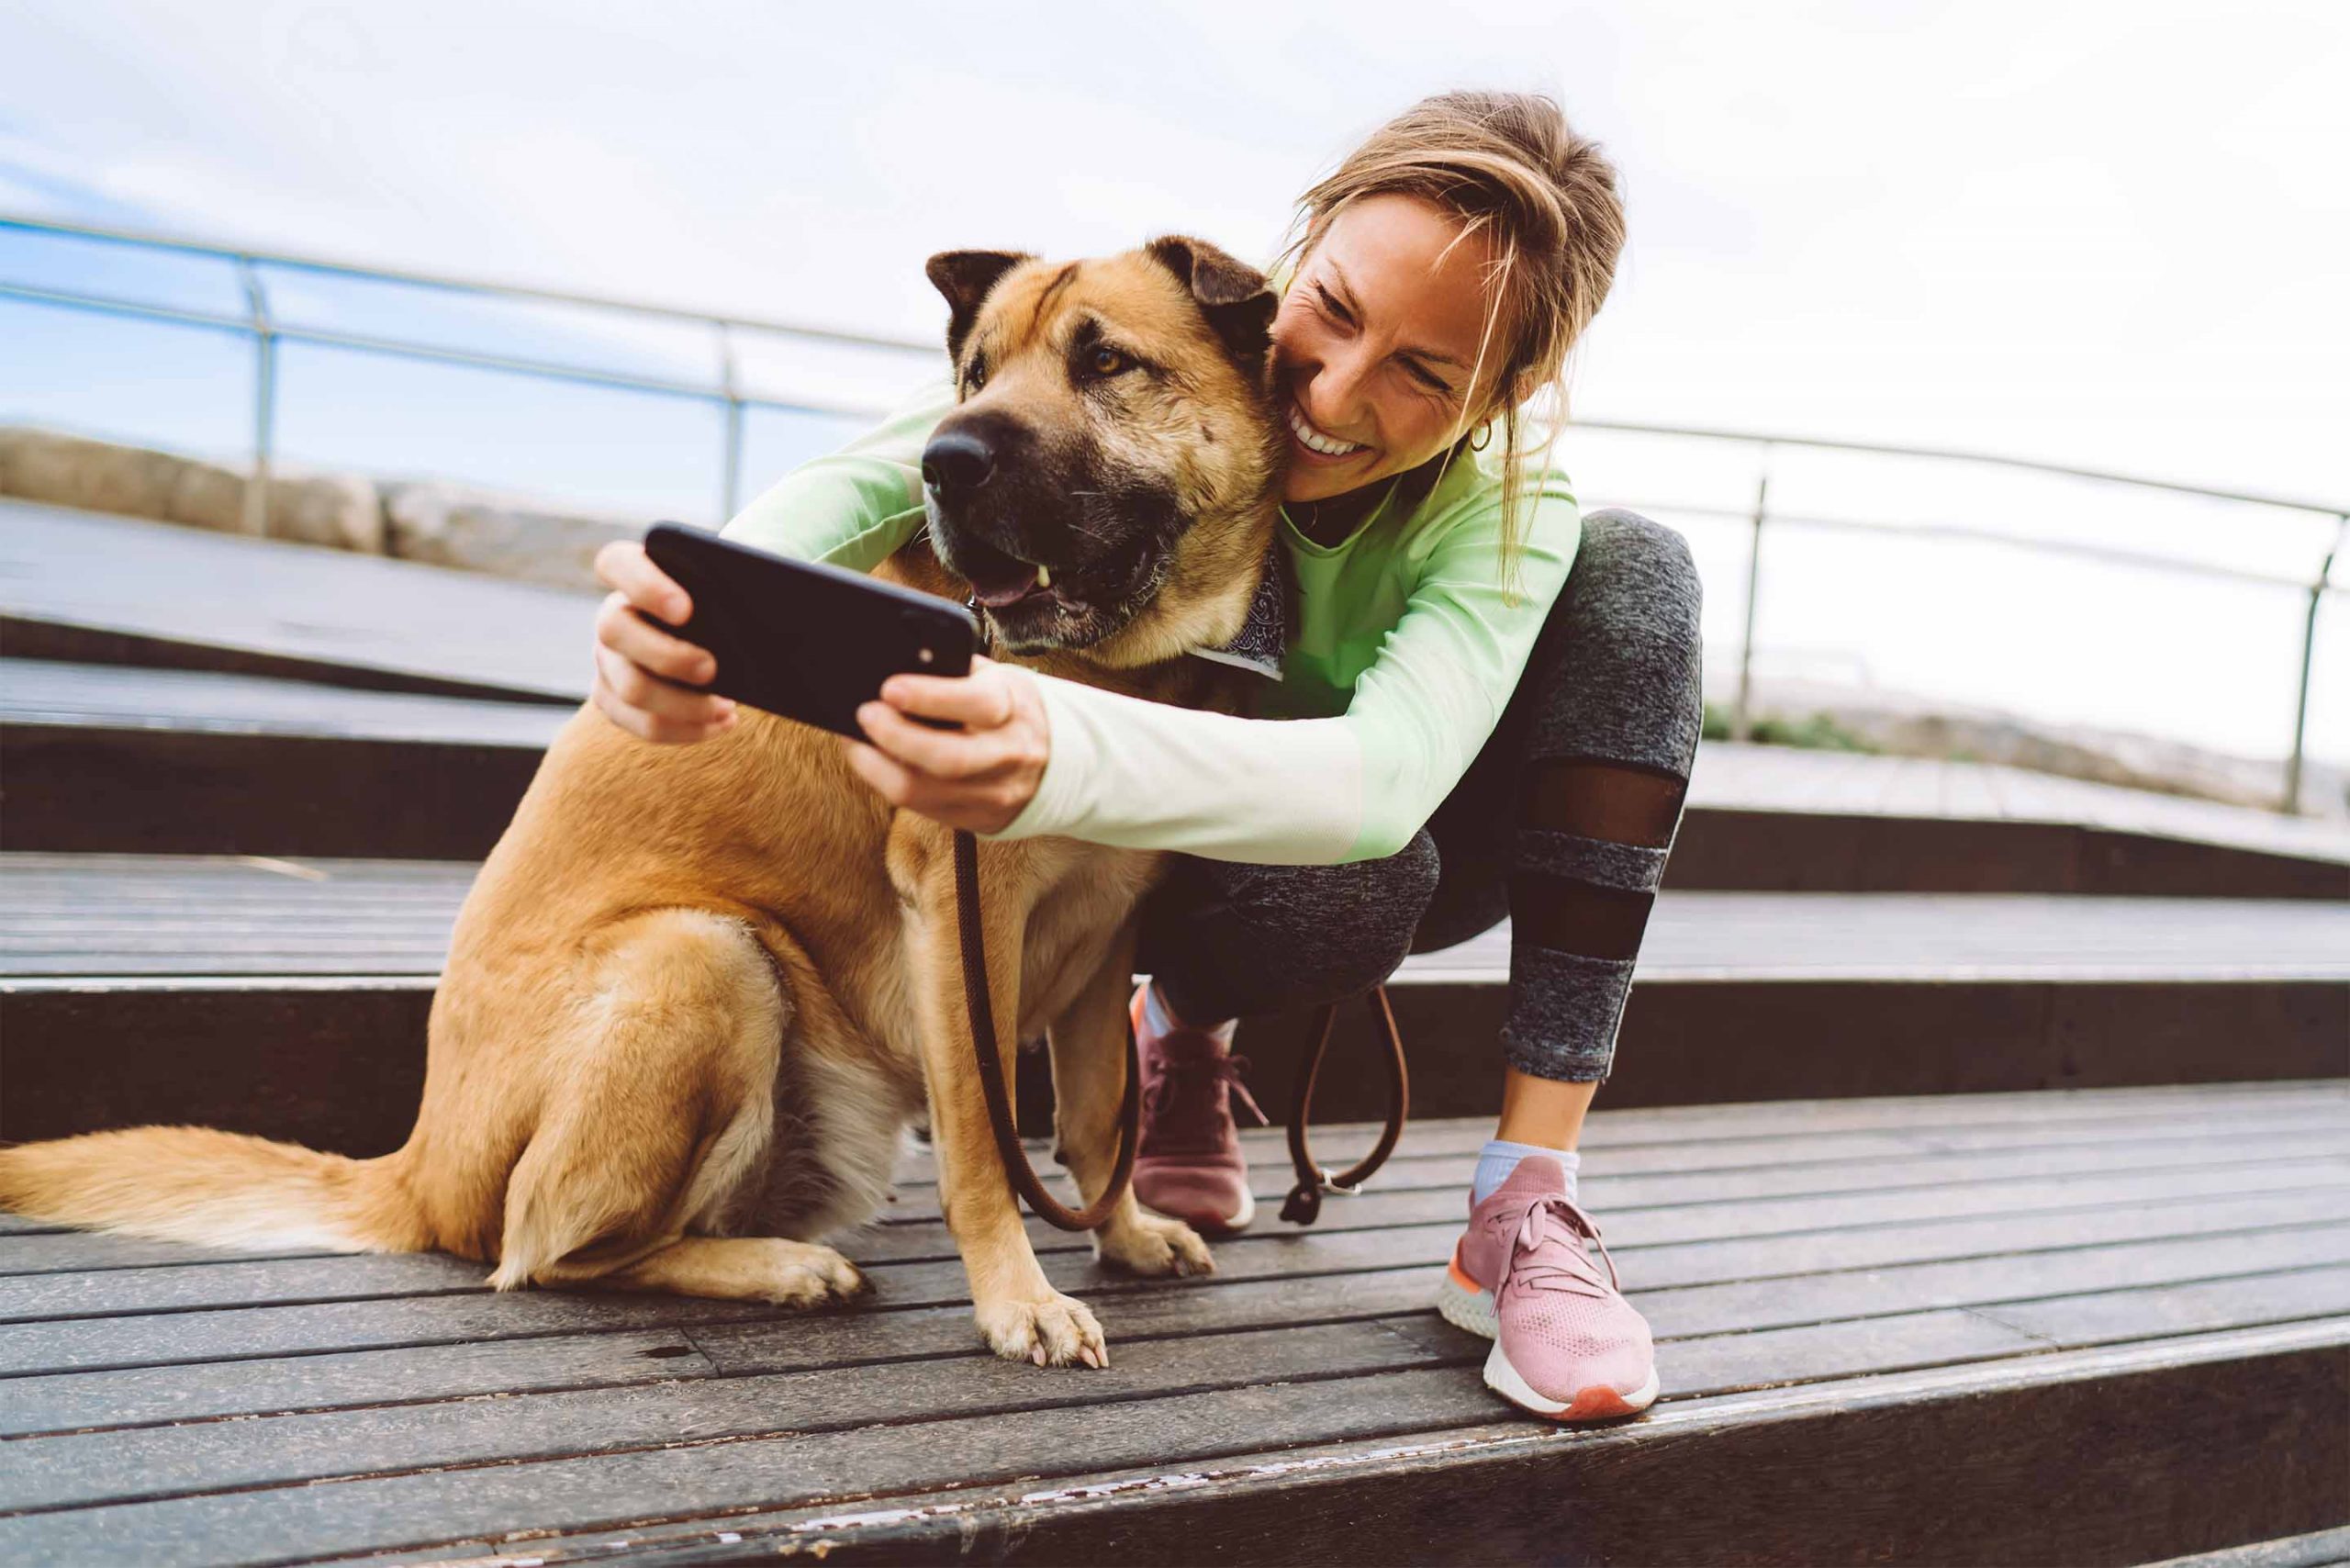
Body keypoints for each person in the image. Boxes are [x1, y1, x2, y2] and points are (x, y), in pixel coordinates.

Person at [588, 90, 1703, 1424]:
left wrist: (1052, 743)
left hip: (1332, 845)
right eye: (1334, 312)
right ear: (1301, 252)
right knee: (1293, 869)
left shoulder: (1494, 507)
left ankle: (1525, 1198)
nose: (1335, 397)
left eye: (1426, 373)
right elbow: (881, 475)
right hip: (1148, 853)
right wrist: (692, 614)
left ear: (1504, 397)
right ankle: (1171, 1040)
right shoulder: (1191, 330)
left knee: (1625, 586)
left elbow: (1385, 783)